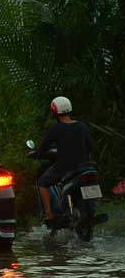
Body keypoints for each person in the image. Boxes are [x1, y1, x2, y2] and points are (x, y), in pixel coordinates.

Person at [37, 96, 94, 227]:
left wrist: (38, 153)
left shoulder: (56, 128)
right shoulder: (82, 126)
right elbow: (91, 146)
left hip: (65, 167)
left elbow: (44, 147)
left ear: (55, 112)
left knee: (42, 183)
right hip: (85, 167)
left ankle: (49, 214)